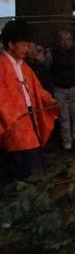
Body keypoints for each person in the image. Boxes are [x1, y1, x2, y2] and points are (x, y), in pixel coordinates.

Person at [0, 20, 58, 185]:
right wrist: (15, 116)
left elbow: (37, 90)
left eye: (28, 45)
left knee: (35, 162)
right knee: (24, 165)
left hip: (29, 118)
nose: (27, 49)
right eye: (23, 45)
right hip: (14, 123)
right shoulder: (1, 65)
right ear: (11, 44)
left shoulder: (23, 66)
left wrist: (51, 102)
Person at [45, 30, 75, 150]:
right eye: (62, 40)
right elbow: (47, 69)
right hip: (59, 88)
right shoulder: (51, 54)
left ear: (72, 41)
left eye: (68, 40)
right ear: (58, 41)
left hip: (74, 86)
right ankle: (67, 142)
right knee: (64, 117)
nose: (65, 42)